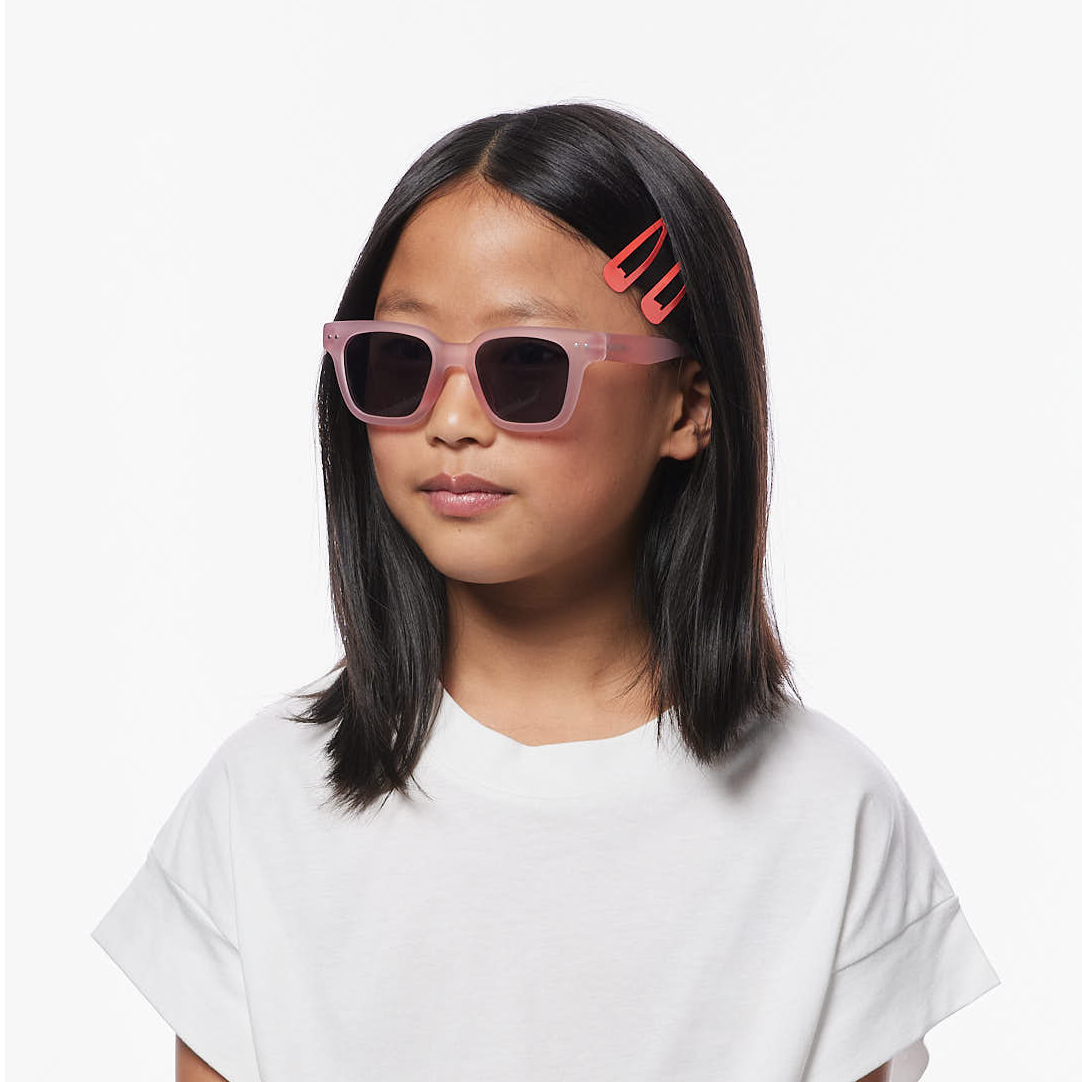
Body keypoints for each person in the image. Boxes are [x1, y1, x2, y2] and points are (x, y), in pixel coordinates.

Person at [91, 101, 1000, 1082]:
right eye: (399, 360)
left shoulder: (826, 816)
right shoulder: (263, 801)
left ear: (687, 405)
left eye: (525, 365)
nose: (451, 419)